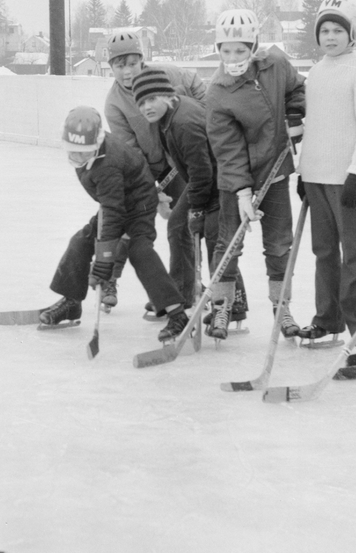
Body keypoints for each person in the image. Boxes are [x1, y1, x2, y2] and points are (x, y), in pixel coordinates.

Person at [39, 106, 187, 342]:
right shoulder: (90, 150)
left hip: (138, 208)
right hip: (115, 203)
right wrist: (103, 253)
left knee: (140, 252)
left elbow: (112, 212)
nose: (76, 157)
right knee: (80, 242)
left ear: (96, 143)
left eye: (83, 152)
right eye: (72, 150)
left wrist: (104, 259)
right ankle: (71, 303)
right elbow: (110, 207)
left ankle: (177, 314)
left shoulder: (107, 164)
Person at [203, 7, 305, 341]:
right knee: (229, 242)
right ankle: (222, 305)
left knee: (278, 245)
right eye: (226, 50)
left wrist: (293, 113)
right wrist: (243, 192)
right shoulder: (218, 92)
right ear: (218, 49)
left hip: (275, 173)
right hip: (236, 181)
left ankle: (282, 306)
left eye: (240, 50)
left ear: (254, 47)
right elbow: (227, 149)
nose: (233, 57)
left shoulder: (276, 64)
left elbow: (296, 88)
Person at [129, 66, 250, 325]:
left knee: (215, 239)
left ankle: (233, 303)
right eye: (141, 102)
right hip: (206, 179)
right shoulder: (170, 114)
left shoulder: (184, 122)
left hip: (221, 182)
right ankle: (183, 293)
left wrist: (196, 208)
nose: (146, 107)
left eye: (151, 99)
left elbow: (203, 171)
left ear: (166, 95)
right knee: (178, 226)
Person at [296, 0, 356, 347]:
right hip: (316, 177)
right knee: (324, 251)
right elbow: (314, 128)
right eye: (325, 31)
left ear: (352, 34)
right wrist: (303, 173)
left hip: (346, 180)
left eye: (338, 30)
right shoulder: (315, 72)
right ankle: (327, 317)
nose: (330, 37)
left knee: (354, 252)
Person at [102, 29, 205, 315]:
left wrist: (199, 120)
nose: (127, 72)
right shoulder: (114, 104)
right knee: (128, 221)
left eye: (132, 63)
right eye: (119, 65)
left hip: (183, 162)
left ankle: (185, 286)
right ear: (110, 67)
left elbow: (199, 89)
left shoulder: (166, 75)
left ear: (142, 60)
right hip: (150, 170)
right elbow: (131, 153)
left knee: (184, 226)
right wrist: (153, 190)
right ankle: (109, 279)